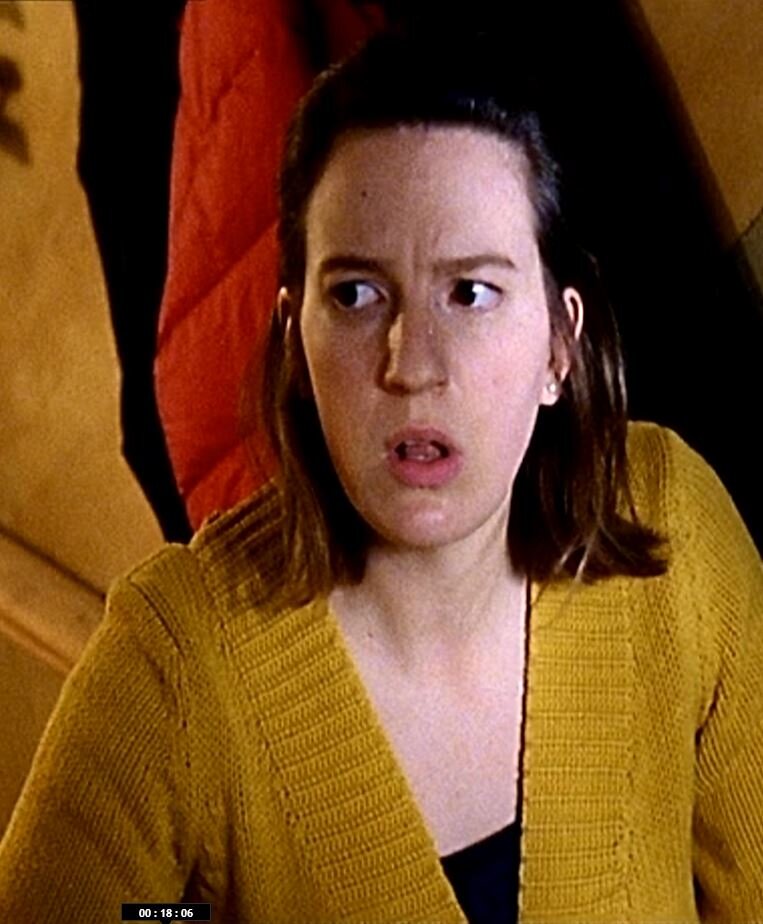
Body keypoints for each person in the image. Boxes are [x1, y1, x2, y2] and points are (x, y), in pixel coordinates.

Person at [1, 27, 761, 924]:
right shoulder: (176, 660)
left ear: (560, 343)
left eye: (469, 293)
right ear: (294, 341)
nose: (411, 364)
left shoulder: (668, 522)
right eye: (356, 295)